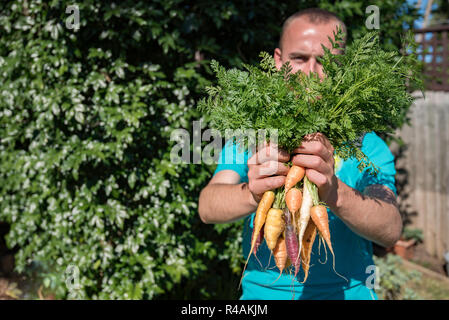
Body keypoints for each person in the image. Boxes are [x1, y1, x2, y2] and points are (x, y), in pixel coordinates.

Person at [198, 8, 402, 300]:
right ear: (278, 61)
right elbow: (207, 206)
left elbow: (391, 228)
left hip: (350, 292)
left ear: (342, 68)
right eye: (299, 58)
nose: (311, 73)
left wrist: (334, 193)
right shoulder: (253, 135)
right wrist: (252, 194)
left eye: (325, 61)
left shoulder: (367, 145)